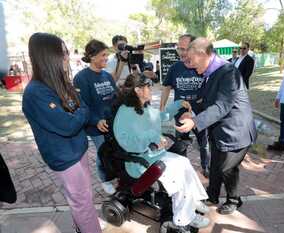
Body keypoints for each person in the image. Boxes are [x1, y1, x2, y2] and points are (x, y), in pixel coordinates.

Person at [22, 32, 102, 233]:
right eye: (63, 53)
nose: (67, 57)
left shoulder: (61, 83)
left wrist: (79, 112)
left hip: (79, 149)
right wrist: (80, 112)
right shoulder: (35, 93)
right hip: (65, 158)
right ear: (49, 57)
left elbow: (81, 108)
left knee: (84, 198)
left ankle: (81, 228)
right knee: (82, 203)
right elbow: (69, 124)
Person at [113, 74, 210, 229]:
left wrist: (178, 104)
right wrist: (152, 137)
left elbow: (161, 117)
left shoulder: (144, 108)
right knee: (177, 176)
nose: (151, 89)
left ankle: (193, 200)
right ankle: (182, 219)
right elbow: (127, 142)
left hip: (153, 156)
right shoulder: (125, 113)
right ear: (138, 90)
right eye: (148, 86)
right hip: (138, 161)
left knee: (184, 162)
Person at [176, 38, 257, 215]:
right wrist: (192, 111)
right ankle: (212, 195)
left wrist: (195, 122)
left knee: (227, 168)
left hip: (236, 132)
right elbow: (204, 99)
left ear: (202, 54)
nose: (188, 64)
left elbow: (222, 106)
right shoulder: (210, 72)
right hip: (220, 131)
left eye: (190, 59)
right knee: (215, 165)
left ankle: (234, 199)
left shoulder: (228, 72)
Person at [160, 34, 210, 177]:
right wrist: (162, 107)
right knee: (181, 142)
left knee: (203, 142)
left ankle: (205, 166)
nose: (181, 52)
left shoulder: (202, 67)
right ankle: (183, 168)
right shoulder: (175, 67)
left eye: (184, 48)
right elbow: (167, 87)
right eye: (178, 48)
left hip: (199, 114)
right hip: (180, 113)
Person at [74, 39, 118, 195]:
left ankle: (117, 174)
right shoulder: (81, 78)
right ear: (92, 57)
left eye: (107, 55)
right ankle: (105, 180)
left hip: (111, 123)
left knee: (115, 150)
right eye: (103, 55)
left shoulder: (107, 76)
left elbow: (115, 98)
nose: (106, 58)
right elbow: (82, 105)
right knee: (103, 152)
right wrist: (96, 120)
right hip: (95, 126)